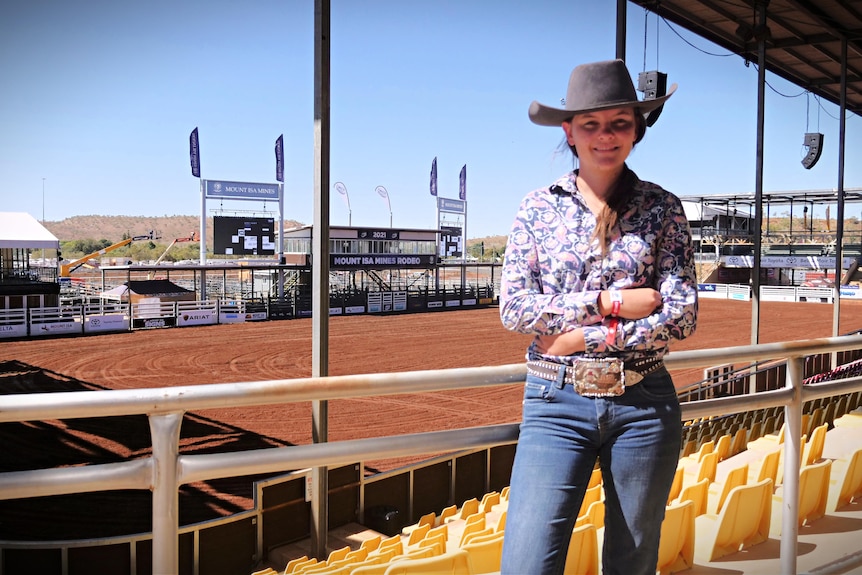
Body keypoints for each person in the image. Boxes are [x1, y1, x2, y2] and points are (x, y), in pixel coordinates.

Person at [498, 59, 698, 575]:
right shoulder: (537, 208)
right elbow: (515, 308)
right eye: (590, 124)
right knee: (527, 562)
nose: (605, 136)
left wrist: (577, 338)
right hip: (555, 400)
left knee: (631, 562)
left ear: (636, 129)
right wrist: (609, 306)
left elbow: (680, 316)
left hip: (644, 401)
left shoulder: (663, 209)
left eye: (619, 123)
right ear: (569, 131)